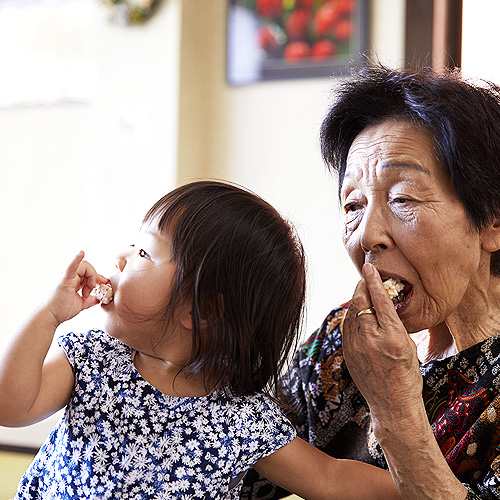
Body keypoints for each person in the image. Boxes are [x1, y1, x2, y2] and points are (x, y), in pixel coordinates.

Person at [0, 181, 400, 499]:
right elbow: (10, 406)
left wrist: (429, 489)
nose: (121, 257)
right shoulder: (93, 358)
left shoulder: (242, 417)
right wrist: (49, 315)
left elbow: (329, 478)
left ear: (201, 310)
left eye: (143, 252)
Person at [241, 65, 500, 500]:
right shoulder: (344, 339)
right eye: (353, 206)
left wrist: (396, 411)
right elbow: (239, 464)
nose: (366, 235)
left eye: (402, 199)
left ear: (492, 221)